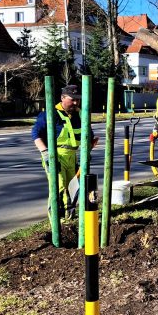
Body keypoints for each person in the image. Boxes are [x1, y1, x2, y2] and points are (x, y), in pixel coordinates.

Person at [32, 84, 97, 217]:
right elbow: (36, 134)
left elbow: (88, 137)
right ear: (62, 98)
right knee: (59, 188)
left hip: (72, 157)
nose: (75, 102)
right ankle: (57, 221)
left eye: (77, 99)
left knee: (73, 188)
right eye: (72, 99)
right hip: (56, 156)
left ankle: (69, 218)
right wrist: (45, 153)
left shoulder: (80, 115)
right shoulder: (50, 114)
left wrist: (89, 149)